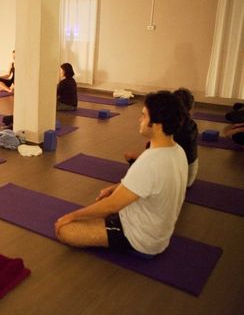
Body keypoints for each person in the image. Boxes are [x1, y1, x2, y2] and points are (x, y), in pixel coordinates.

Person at [55, 91, 188, 256]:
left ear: (157, 124)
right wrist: (116, 187)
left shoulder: (150, 161)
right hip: (158, 234)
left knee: (65, 230)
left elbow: (112, 205)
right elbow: (154, 183)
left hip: (140, 237)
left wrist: (72, 216)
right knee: (90, 214)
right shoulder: (177, 151)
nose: (139, 119)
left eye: (144, 116)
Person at [124, 87, 198, 187]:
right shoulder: (190, 123)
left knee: (130, 156)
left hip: (182, 178)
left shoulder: (174, 129)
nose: (140, 119)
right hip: (189, 170)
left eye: (144, 116)